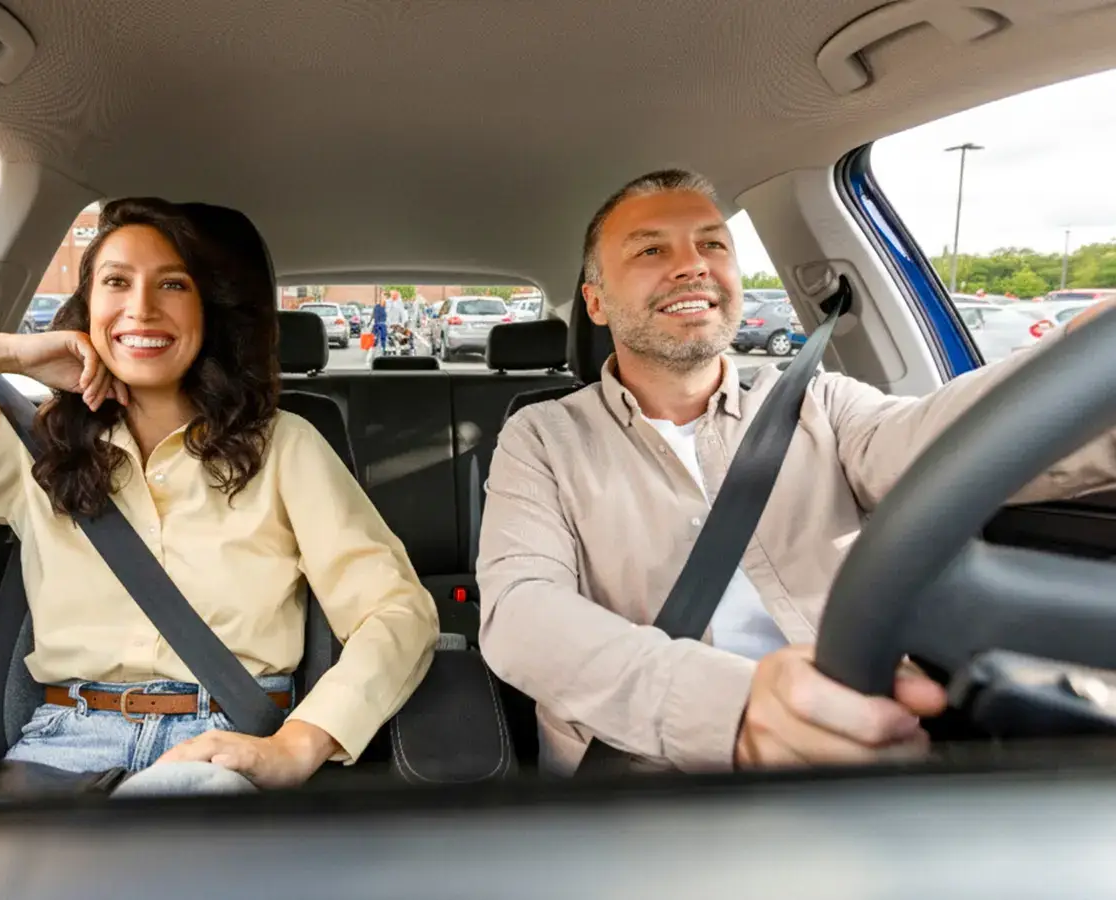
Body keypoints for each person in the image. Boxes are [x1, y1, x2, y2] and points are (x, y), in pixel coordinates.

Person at [0, 197, 439, 795]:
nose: (142, 308)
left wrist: (299, 745)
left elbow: (397, 611)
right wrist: (8, 351)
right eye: (116, 282)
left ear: (211, 311)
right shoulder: (25, 447)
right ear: (86, 305)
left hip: (216, 750)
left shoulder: (283, 448)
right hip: (57, 749)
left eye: (174, 284)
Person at [476, 169, 1116, 776]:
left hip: (855, 749)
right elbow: (522, 612)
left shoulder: (824, 404)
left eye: (712, 243)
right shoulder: (544, 437)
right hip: (640, 778)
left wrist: (1079, 372)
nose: (693, 263)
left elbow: (940, 444)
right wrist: (737, 711)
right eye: (649, 250)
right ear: (596, 302)